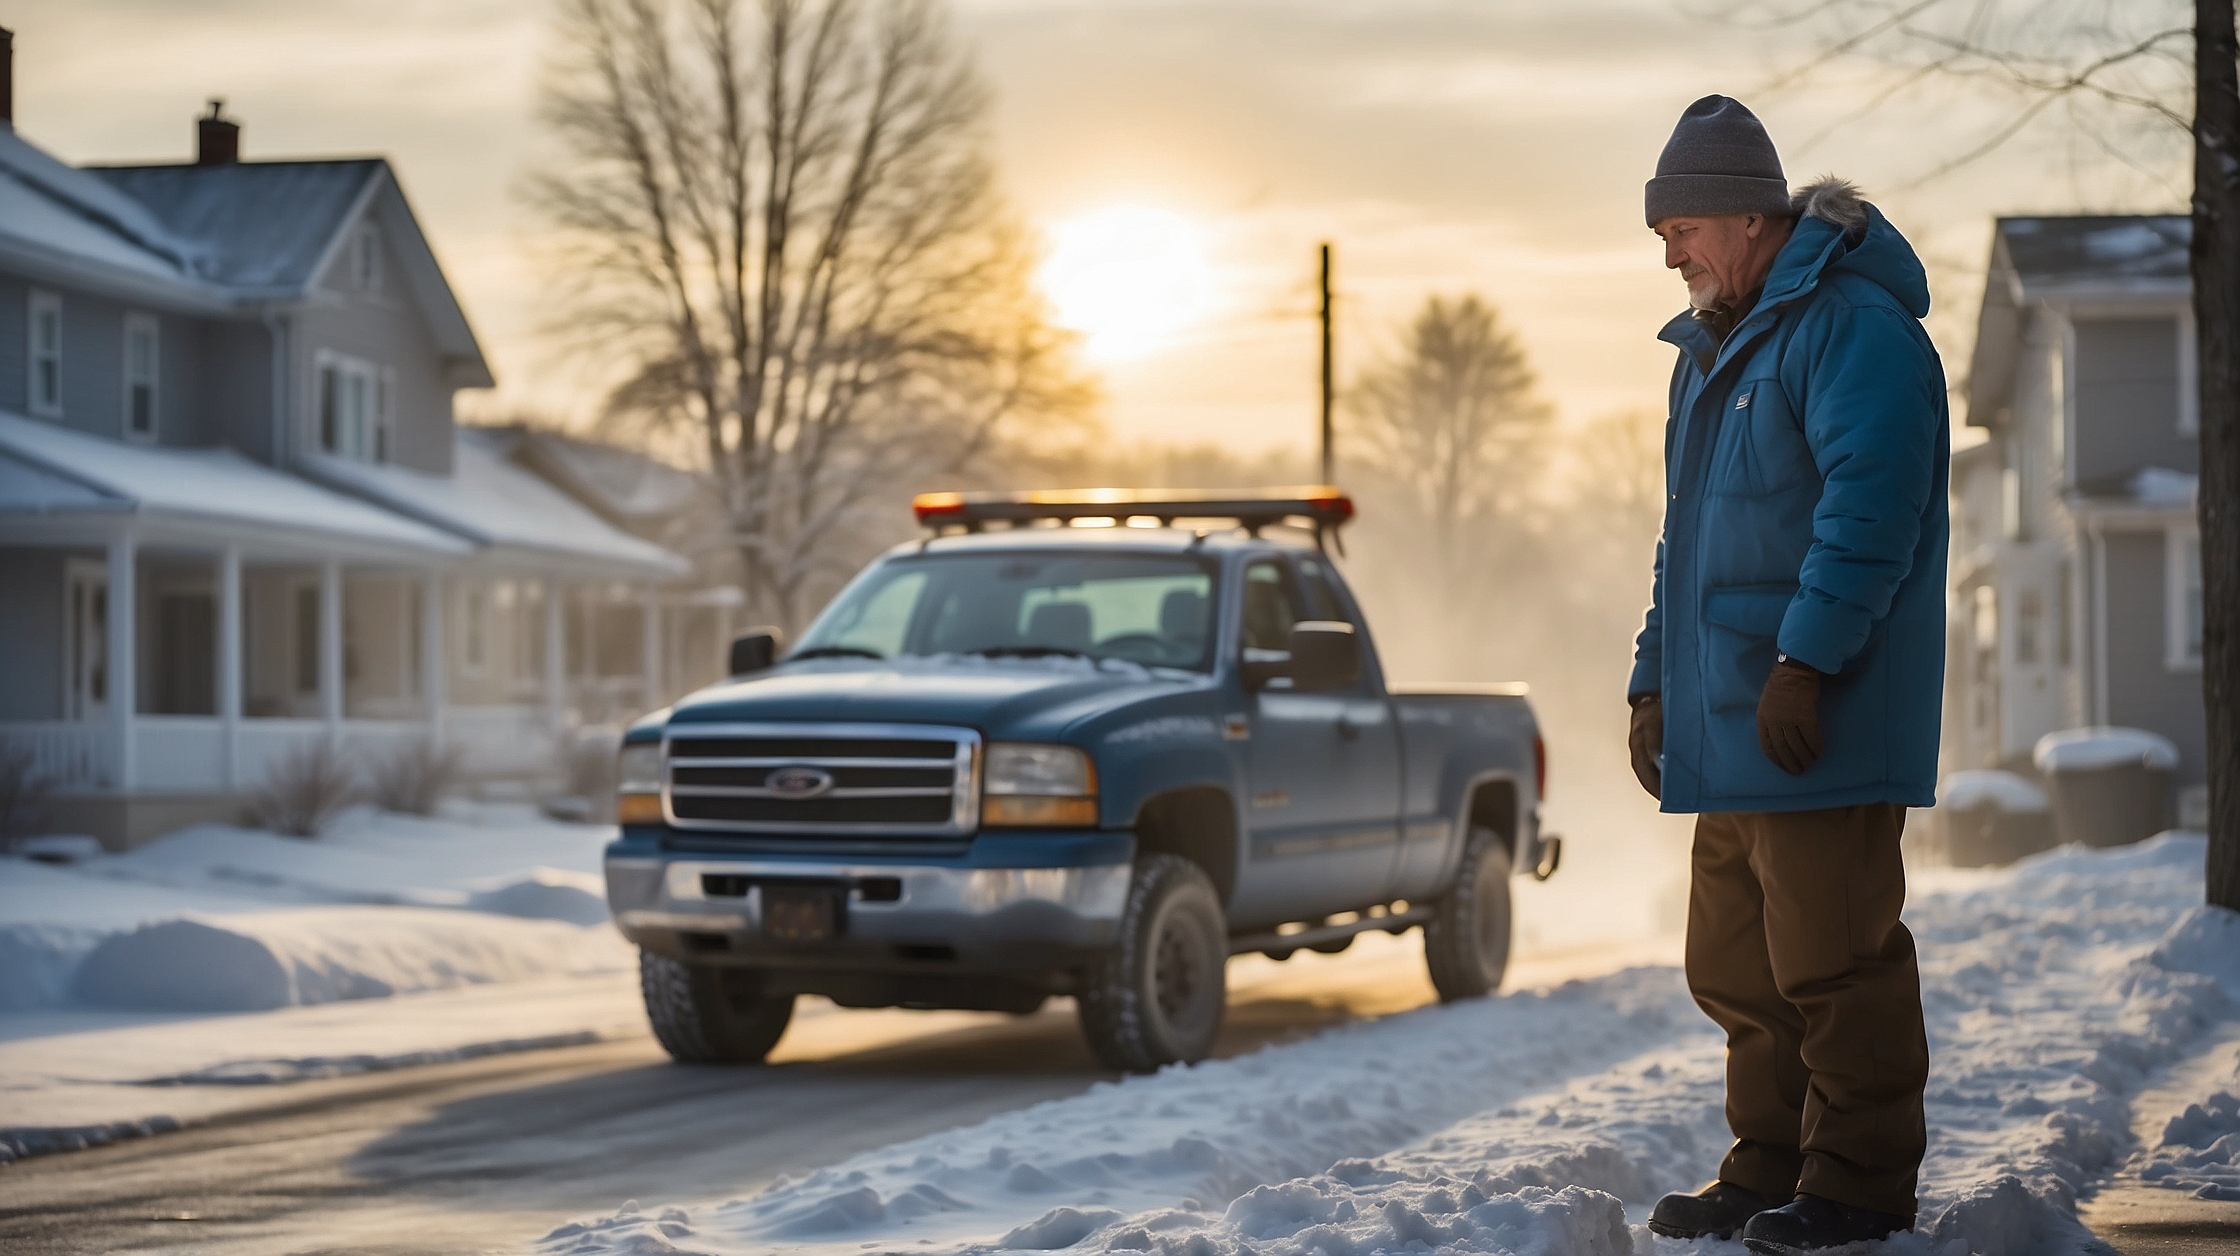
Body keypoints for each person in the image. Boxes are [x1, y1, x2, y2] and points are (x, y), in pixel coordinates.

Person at [1627, 95, 1948, 1254]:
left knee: (1833, 957)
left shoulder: (1851, 328)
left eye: (1679, 229)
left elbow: (1872, 509)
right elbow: (1686, 539)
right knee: (1736, 964)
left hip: (1816, 717)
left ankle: (1857, 1181)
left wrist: (1803, 664)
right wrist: (1650, 682)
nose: (1668, 254)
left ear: (1747, 216)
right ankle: (1768, 1162)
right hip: (1725, 720)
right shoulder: (1710, 350)